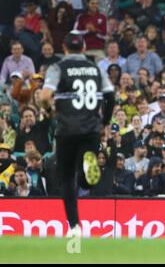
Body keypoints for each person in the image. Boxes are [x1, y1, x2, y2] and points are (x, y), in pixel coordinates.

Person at [41, 32, 115, 237]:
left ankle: (74, 226)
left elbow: (45, 96)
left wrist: (49, 111)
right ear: (83, 48)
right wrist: (104, 122)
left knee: (65, 178)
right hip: (91, 129)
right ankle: (86, 179)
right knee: (86, 173)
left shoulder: (58, 67)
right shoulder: (95, 68)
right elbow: (111, 96)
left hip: (66, 130)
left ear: (64, 49)